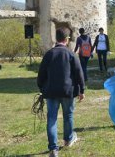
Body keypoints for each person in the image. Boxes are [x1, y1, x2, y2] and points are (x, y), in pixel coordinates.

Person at [37, 28, 85, 157]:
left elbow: (41, 75)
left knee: (52, 119)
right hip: (68, 91)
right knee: (68, 115)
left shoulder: (49, 54)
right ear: (67, 39)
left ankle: (53, 148)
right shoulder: (71, 54)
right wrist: (82, 90)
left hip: (51, 91)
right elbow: (79, 73)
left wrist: (42, 88)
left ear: (56, 39)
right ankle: (68, 140)